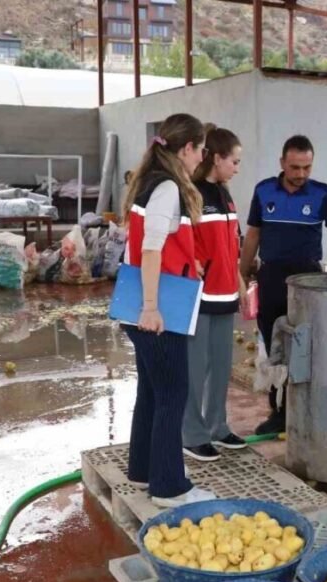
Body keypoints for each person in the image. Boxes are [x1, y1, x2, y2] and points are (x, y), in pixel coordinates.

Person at [119, 113, 215, 507]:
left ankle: (144, 470)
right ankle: (169, 487)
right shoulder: (168, 189)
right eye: (201, 149)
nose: (202, 157)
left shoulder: (150, 182)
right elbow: (151, 249)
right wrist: (152, 308)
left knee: (152, 391)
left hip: (140, 304)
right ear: (188, 148)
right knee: (173, 392)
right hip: (157, 309)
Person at [240, 135, 327, 436]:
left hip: (309, 281)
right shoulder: (264, 191)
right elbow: (253, 235)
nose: (301, 174)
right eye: (295, 167)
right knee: (274, 346)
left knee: (306, 346)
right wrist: (242, 274)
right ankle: (278, 412)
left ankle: (305, 410)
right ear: (282, 164)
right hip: (273, 278)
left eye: (307, 167)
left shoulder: (321, 193)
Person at [182, 124, 249, 462]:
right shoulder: (191, 194)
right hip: (198, 297)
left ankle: (217, 426)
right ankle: (191, 433)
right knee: (196, 367)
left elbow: (230, 249)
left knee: (221, 366)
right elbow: (182, 244)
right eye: (234, 161)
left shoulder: (225, 194)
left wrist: (240, 286)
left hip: (225, 295)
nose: (237, 168)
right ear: (217, 158)